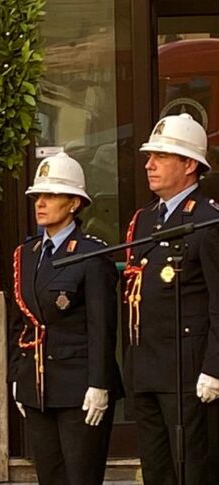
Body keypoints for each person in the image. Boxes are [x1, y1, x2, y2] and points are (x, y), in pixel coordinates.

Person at [8, 153, 123, 485]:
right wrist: (17, 375)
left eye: (51, 195)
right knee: (50, 476)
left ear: (74, 203)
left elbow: (102, 327)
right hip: (38, 385)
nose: (41, 203)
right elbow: (20, 323)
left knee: (81, 477)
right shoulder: (26, 255)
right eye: (37, 197)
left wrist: (99, 384)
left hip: (79, 387)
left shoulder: (91, 254)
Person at [123, 113, 219, 485]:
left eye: (161, 156)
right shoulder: (146, 220)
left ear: (190, 164)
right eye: (150, 156)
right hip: (147, 367)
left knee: (192, 469)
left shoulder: (208, 220)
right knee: (157, 469)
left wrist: (214, 368)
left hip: (188, 370)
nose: (149, 164)